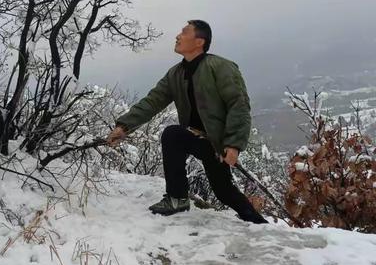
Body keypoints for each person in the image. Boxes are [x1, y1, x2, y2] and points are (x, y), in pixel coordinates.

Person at [106, 20, 268, 224]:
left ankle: (259, 225)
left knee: (224, 192)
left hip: (219, 143)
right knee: (173, 135)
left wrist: (233, 145)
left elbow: (239, 105)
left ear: (199, 41)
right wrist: (124, 126)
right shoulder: (175, 73)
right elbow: (152, 101)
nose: (177, 36)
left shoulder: (221, 67)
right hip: (196, 137)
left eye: (184, 32)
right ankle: (177, 198)